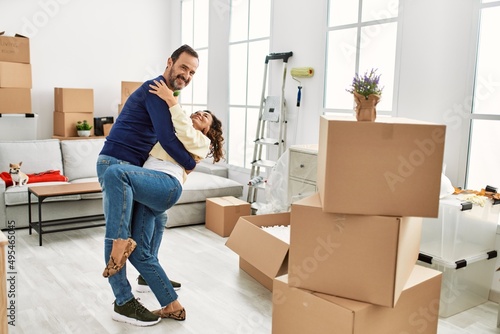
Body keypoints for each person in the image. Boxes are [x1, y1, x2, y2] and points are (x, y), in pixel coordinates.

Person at [96, 44, 199, 326]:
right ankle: (123, 302)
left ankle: (147, 270)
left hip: (132, 169)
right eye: (183, 67)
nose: (186, 75)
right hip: (115, 164)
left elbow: (179, 133)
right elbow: (167, 138)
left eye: (192, 72)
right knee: (117, 234)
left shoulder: (168, 97)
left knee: (158, 216)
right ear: (170, 62)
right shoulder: (155, 89)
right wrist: (189, 163)